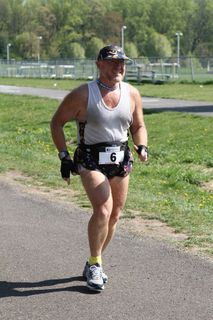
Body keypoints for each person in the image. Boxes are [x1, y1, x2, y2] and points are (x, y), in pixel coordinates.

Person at [50, 44, 148, 292]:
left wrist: (142, 145)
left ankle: (95, 260)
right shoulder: (83, 94)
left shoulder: (132, 93)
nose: (119, 67)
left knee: (115, 214)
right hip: (90, 158)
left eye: (122, 62)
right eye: (113, 62)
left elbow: (138, 126)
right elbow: (57, 123)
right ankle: (95, 264)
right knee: (103, 209)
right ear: (99, 64)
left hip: (120, 157)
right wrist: (63, 155)